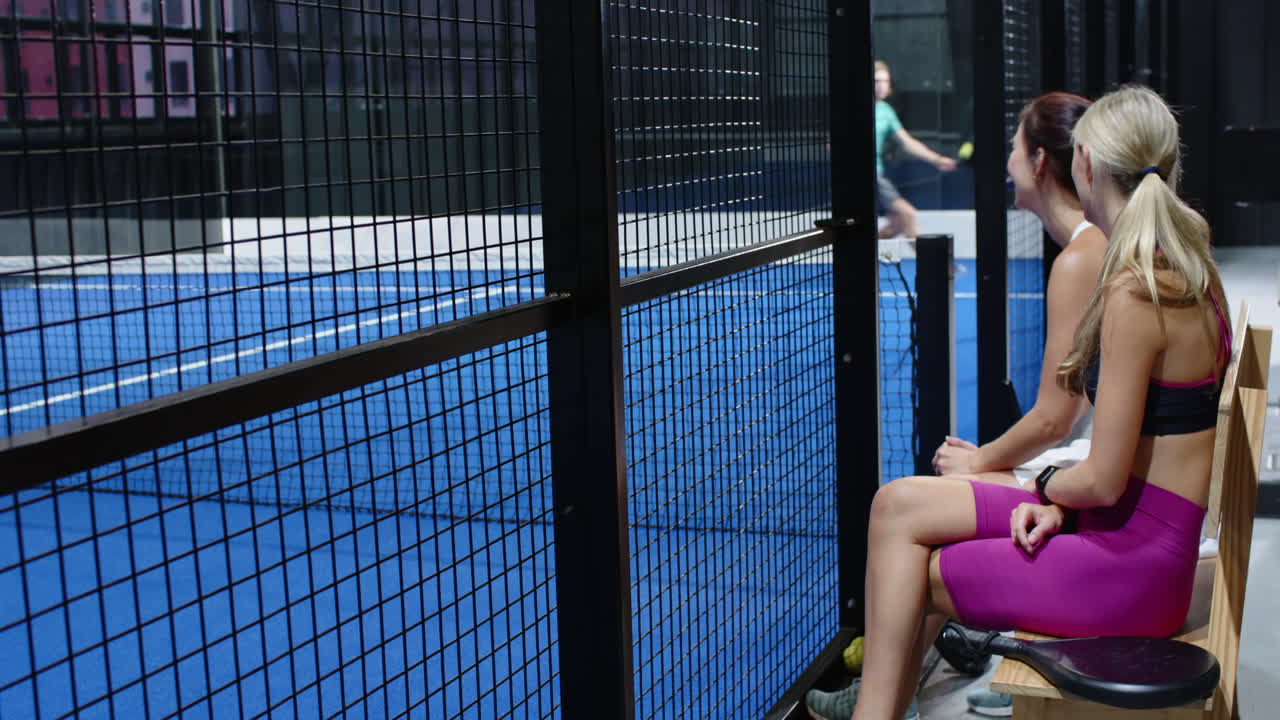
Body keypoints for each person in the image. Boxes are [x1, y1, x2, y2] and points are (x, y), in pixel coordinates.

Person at [812, 84, 1230, 720]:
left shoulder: (1134, 290)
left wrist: (1049, 487)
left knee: (915, 572)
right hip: (1141, 545)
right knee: (895, 508)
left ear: (1084, 163)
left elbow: (1102, 478)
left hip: (1134, 573)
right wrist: (1056, 500)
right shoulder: (1189, 268)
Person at [809, 89, 1102, 720]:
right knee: (922, 511)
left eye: (1015, 148)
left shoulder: (1082, 257)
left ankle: (881, 702)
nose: (1008, 162)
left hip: (1099, 500)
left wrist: (981, 460)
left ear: (1041, 162)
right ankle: (889, 692)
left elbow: (1057, 415)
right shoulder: (1088, 249)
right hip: (1093, 479)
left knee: (903, 508)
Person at [875, 60, 957, 239]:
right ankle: (931, 258)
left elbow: (907, 142)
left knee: (898, 223)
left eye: (885, 81)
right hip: (863, 178)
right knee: (908, 216)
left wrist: (937, 159)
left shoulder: (886, 111)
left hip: (877, 176)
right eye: (876, 81)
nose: (881, 86)